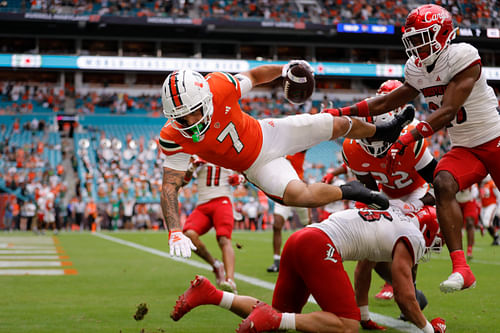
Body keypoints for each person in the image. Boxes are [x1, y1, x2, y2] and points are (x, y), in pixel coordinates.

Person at [322, 4, 500, 293]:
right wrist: (342, 112)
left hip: (494, 139)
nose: (417, 45)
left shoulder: (463, 56)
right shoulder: (417, 68)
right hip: (465, 148)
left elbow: (448, 110)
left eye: (423, 37)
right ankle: (462, 269)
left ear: (442, 33)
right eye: (413, 39)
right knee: (443, 182)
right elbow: (385, 102)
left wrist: (406, 137)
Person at [159, 61, 414, 258]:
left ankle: (383, 131)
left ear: (205, 98)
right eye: (182, 118)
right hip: (255, 166)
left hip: (268, 133)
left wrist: (284, 69)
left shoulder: (219, 86)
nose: (191, 123)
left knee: (332, 124)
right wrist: (174, 231)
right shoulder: (173, 136)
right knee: (301, 196)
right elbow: (170, 185)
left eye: (195, 112)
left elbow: (256, 76)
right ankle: (351, 191)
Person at [170, 205, 446, 333]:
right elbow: (404, 296)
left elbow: (365, 267)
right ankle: (275, 320)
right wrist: (428, 329)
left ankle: (211, 294)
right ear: (428, 230)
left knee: (279, 315)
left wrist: (364, 315)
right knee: (345, 326)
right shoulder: (414, 236)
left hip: (302, 239)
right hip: (319, 245)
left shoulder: (394, 221)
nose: (437, 243)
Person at [182, 157, 244, 293]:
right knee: (188, 235)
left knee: (223, 239)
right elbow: (182, 182)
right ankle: (216, 265)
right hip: (203, 204)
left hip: (222, 199)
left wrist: (239, 179)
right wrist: (192, 167)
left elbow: (245, 172)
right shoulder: (196, 152)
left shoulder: (227, 149)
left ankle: (230, 280)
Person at [267, 151, 310, 273]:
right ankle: (276, 261)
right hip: (282, 191)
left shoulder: (297, 147)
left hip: (300, 191)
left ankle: (310, 257)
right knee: (277, 225)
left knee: (308, 226)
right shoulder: (278, 151)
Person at [456, 185, 481, 259]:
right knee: (455, 224)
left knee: (470, 223)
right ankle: (457, 252)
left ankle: (469, 250)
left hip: (469, 198)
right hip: (456, 198)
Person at [478, 175, 500, 245]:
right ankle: (496, 238)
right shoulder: (481, 185)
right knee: (486, 223)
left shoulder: (492, 183)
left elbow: (498, 196)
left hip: (492, 205)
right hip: (483, 206)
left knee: (487, 223)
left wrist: (498, 209)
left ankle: (496, 237)